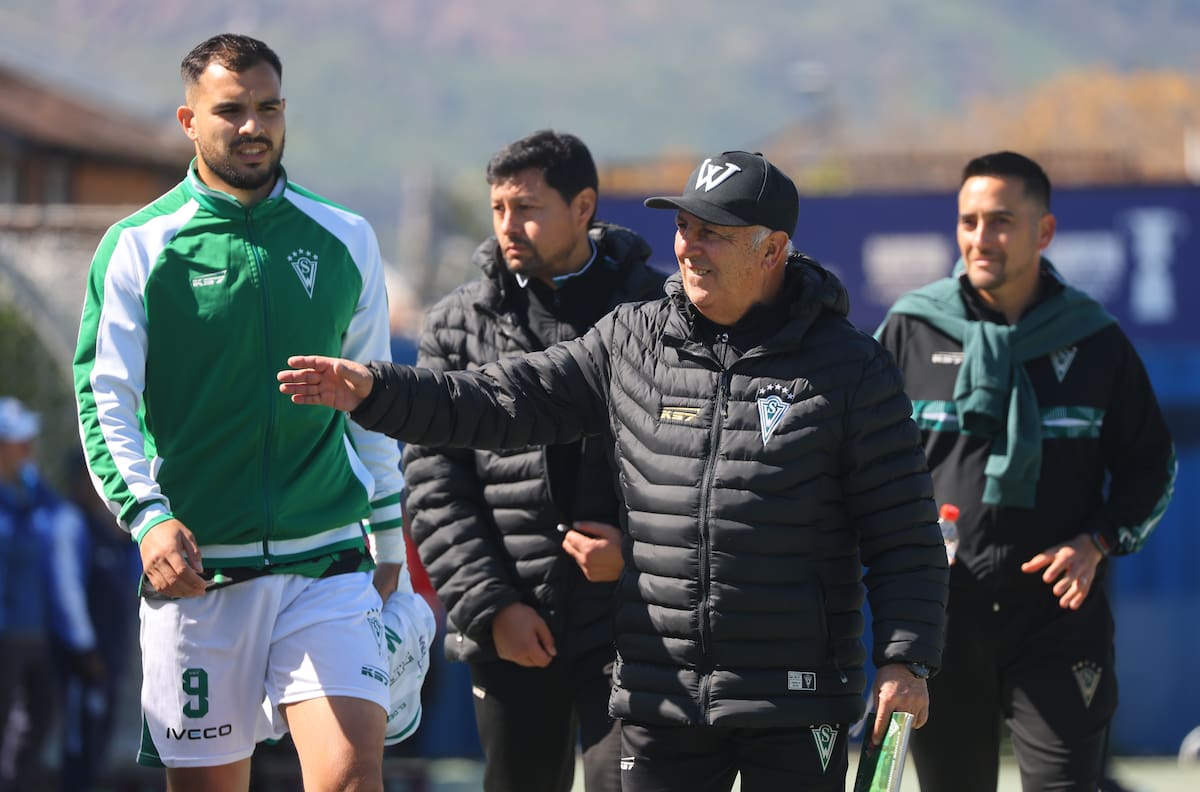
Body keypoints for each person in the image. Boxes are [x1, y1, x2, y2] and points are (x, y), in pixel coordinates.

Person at [279, 150, 951, 792]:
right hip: (661, 695)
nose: (689, 246)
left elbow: (904, 533)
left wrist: (905, 657)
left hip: (797, 697)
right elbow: (500, 398)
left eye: (714, 233)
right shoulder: (631, 338)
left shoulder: (851, 367)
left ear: (772, 250)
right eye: (684, 227)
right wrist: (375, 390)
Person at [73, 33, 421, 792]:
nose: (252, 126)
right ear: (189, 121)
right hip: (200, 572)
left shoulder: (346, 238)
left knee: (354, 776)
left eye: (268, 108)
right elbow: (104, 401)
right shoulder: (137, 247)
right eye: (230, 110)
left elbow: (375, 403)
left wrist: (389, 532)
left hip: (326, 560)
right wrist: (148, 517)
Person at [875, 151, 1177, 791]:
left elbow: (1153, 468)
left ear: (1044, 232)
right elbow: (861, 464)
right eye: (969, 221)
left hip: (1059, 619)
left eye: (1002, 221)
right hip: (943, 617)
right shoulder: (909, 328)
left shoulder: (1096, 340)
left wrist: (1097, 542)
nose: (981, 238)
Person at [402, 129, 664, 792]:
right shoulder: (457, 324)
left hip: (637, 623)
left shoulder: (660, 313)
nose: (508, 226)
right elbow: (434, 485)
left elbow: (694, 468)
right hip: (515, 624)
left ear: (583, 207)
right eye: (498, 209)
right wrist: (492, 608)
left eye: (527, 207)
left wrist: (633, 555)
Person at [50, 452, 142, 792]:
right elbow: (67, 588)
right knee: (79, 736)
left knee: (100, 729)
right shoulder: (70, 523)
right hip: (84, 657)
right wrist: (84, 646)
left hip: (111, 653)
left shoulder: (110, 533)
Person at [0, 396, 75, 791]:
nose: (29, 447)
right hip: (4, 634)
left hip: (33, 633)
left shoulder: (32, 492)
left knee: (38, 720)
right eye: (18, 440)